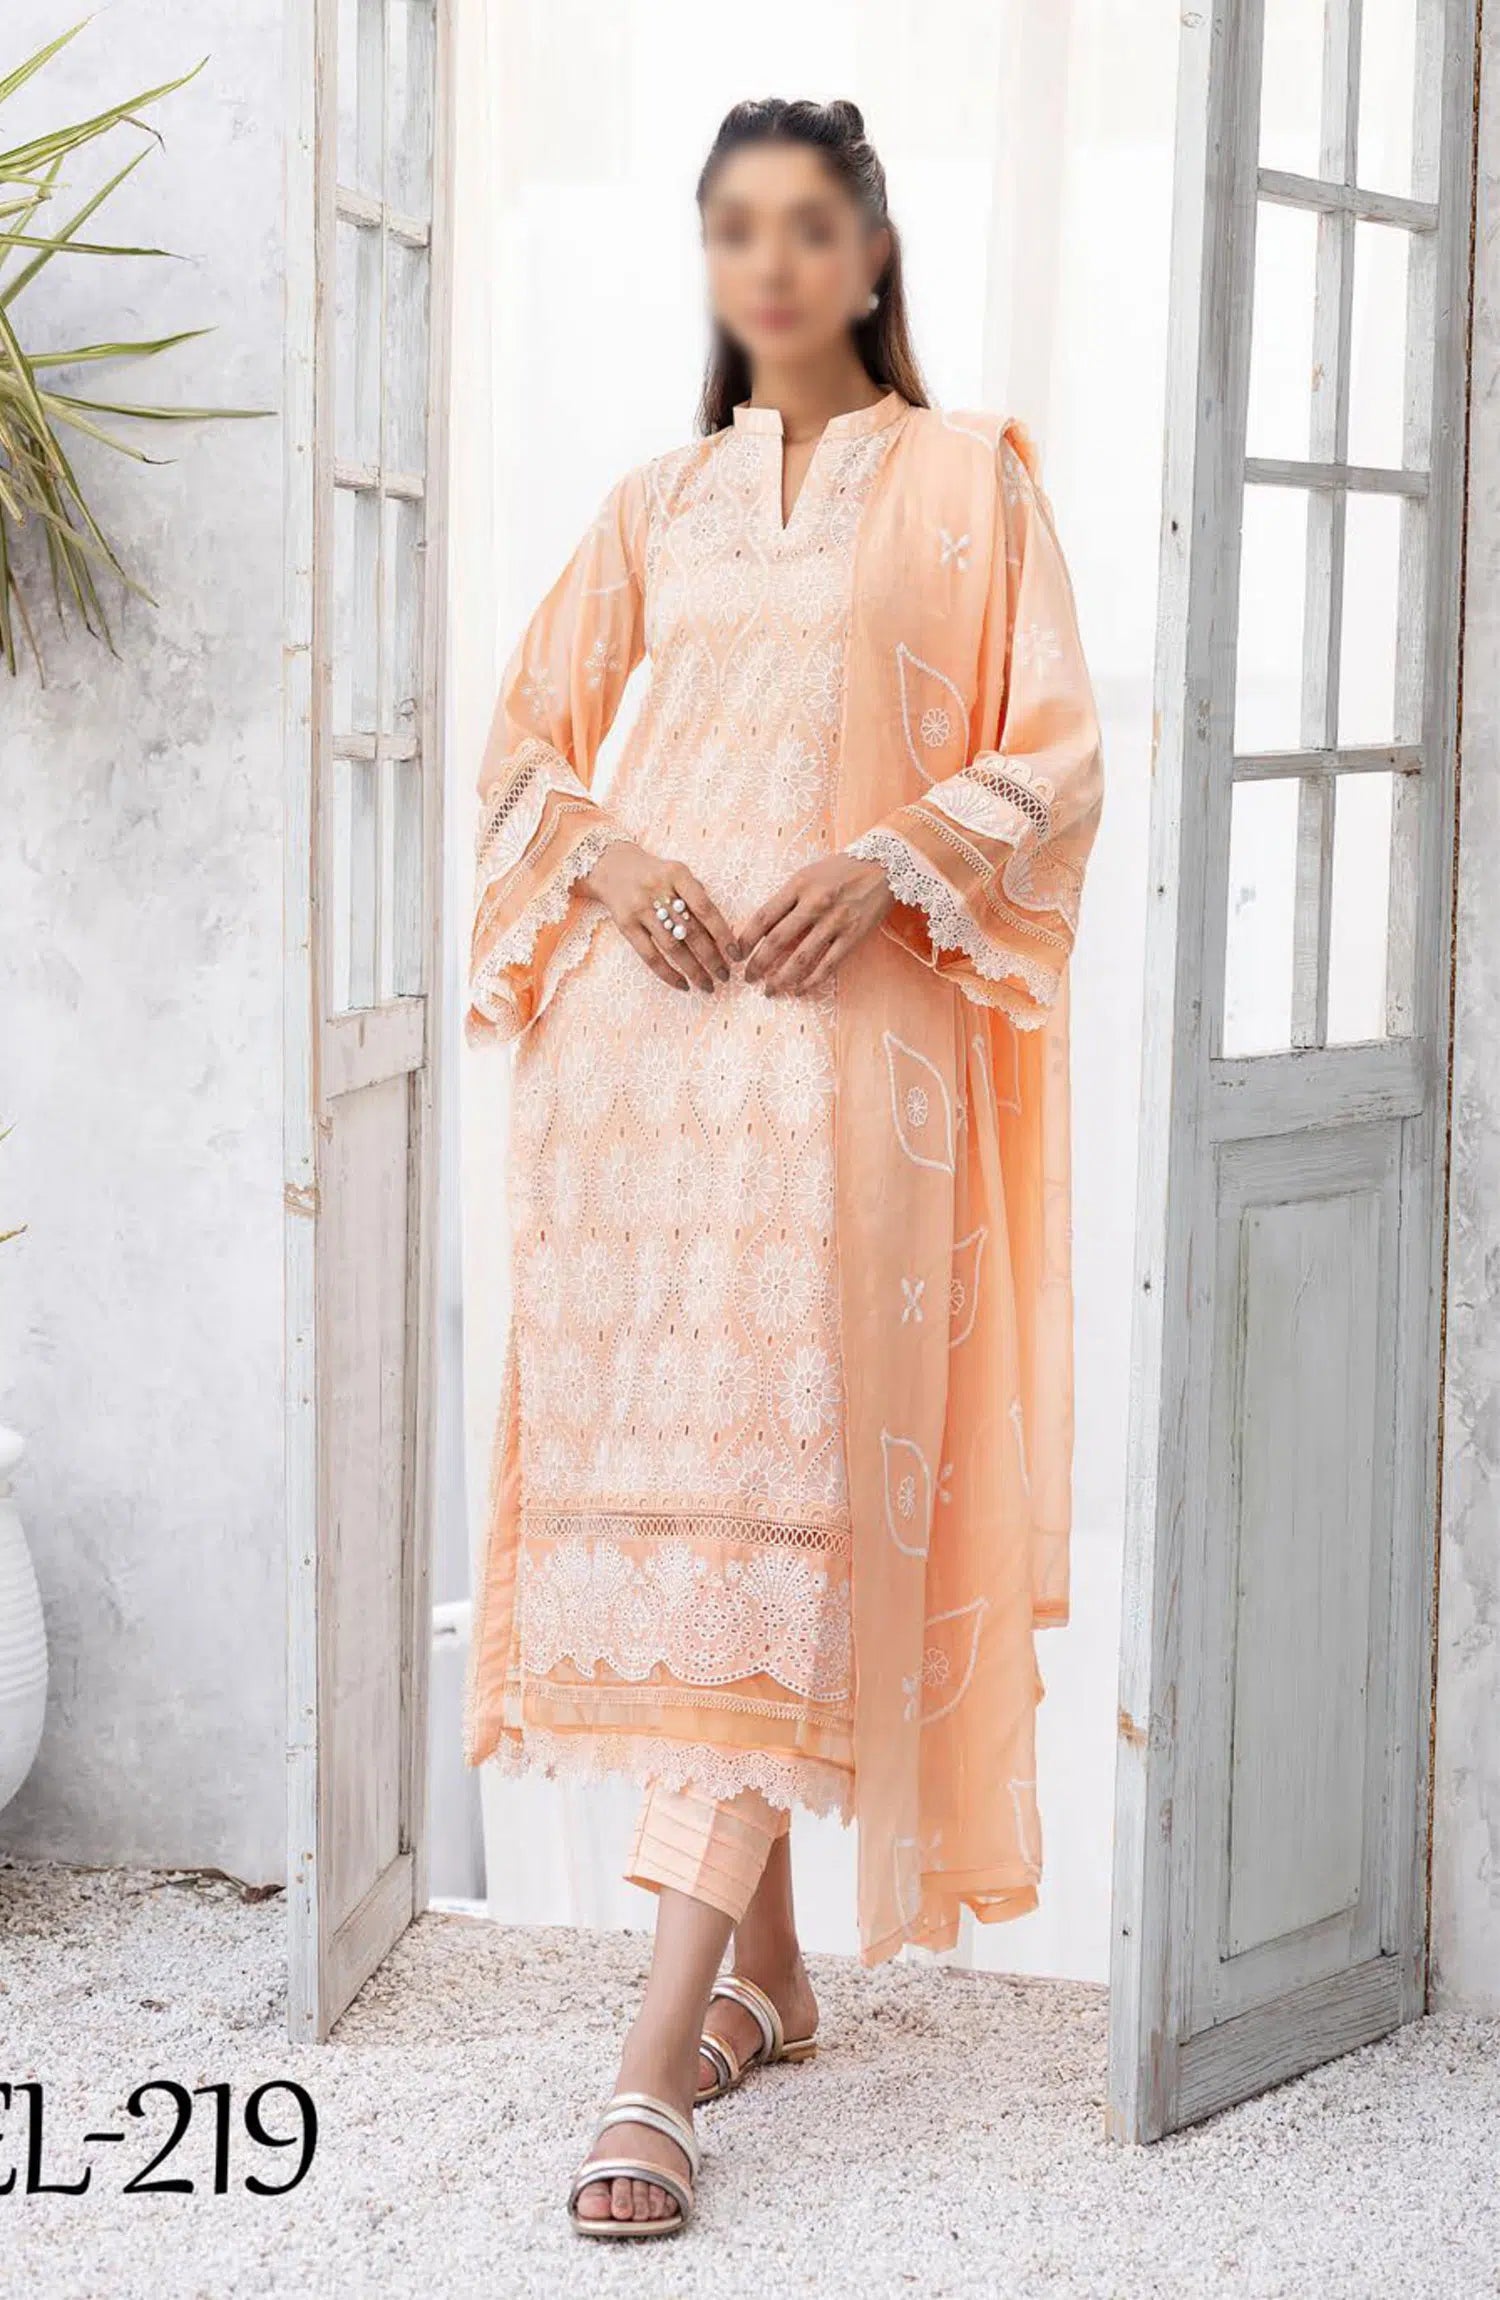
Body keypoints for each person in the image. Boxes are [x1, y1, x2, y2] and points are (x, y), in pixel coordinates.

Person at [463, 95, 1104, 2238]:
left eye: (808, 224)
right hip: (643, 1087)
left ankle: (652, 2058)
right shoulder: (657, 502)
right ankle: (772, 1978)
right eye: (735, 225)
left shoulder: (972, 477)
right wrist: (618, 862)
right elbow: (523, 747)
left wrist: (889, 857)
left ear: (873, 249)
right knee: (702, 1526)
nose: (770, 261)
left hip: (846, 1066)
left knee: (786, 1520)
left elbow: (1055, 749)